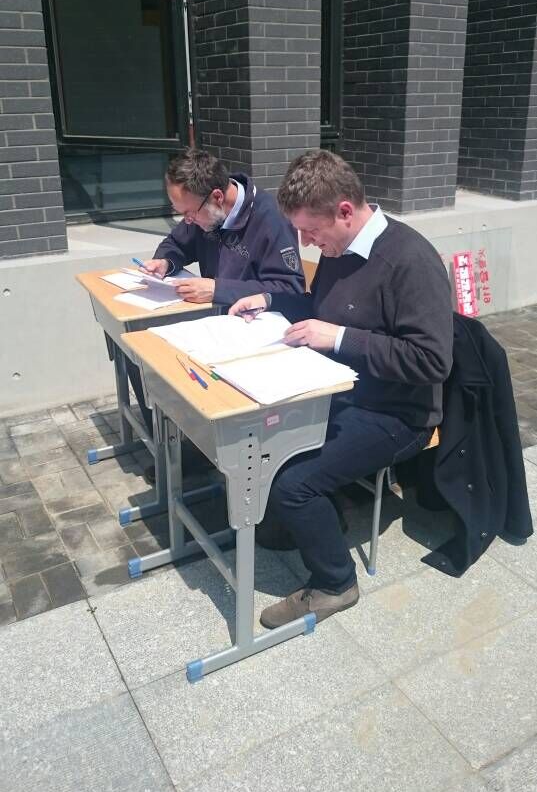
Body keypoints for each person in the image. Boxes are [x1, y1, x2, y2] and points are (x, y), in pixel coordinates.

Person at [228, 150, 454, 628]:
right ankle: (319, 517)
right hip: (341, 389)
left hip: (399, 413)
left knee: (293, 485)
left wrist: (340, 338)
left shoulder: (411, 261)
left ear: (345, 211)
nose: (307, 244)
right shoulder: (339, 249)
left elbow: (432, 361)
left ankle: (335, 583)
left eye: (311, 232)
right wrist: (267, 299)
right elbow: (319, 307)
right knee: (259, 435)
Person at [128, 148, 304, 473]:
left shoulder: (270, 219)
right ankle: (182, 445)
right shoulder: (204, 210)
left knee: (169, 365)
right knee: (141, 352)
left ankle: (201, 450)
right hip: (217, 325)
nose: (187, 221)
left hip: (254, 335)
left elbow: (290, 289)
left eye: (189, 213)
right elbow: (177, 242)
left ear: (218, 197)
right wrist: (165, 261)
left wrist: (218, 289)